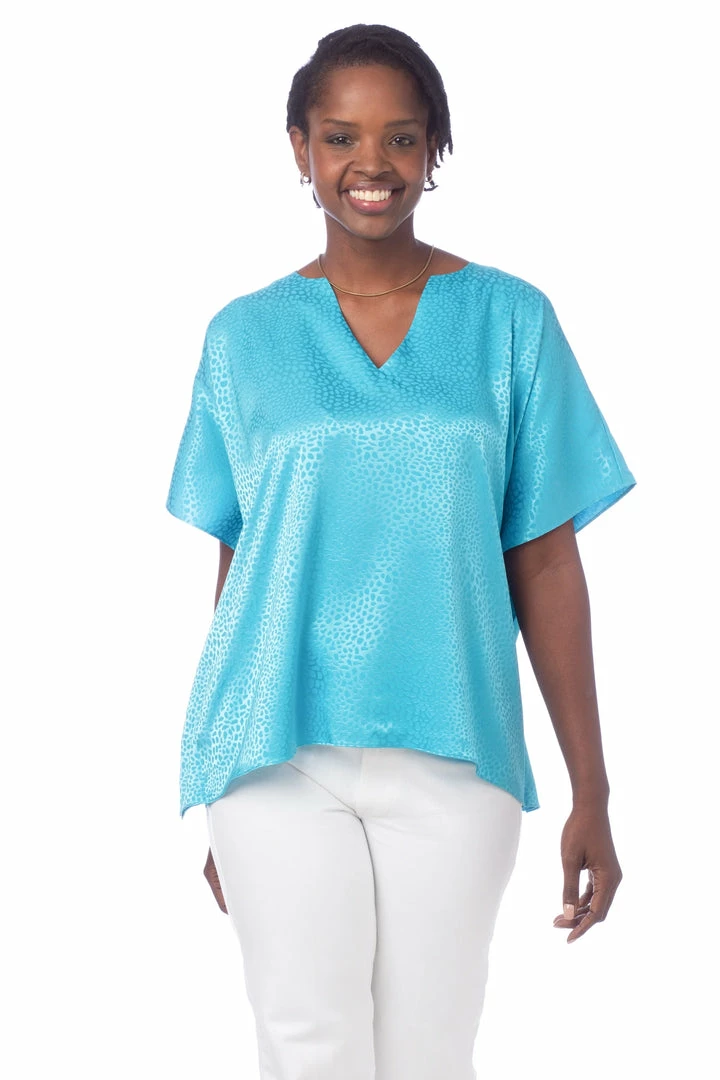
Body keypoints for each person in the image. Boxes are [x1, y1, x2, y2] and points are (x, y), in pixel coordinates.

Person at [165, 22, 637, 1080]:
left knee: (430, 1056)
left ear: (435, 148)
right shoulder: (243, 337)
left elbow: (546, 563)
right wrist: (226, 760)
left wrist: (593, 790)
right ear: (300, 148)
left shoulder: (509, 323)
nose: (369, 163)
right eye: (339, 136)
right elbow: (242, 565)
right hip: (276, 757)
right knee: (307, 1051)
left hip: (456, 744)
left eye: (402, 136)